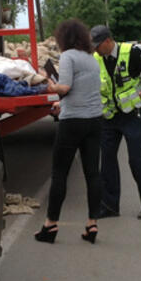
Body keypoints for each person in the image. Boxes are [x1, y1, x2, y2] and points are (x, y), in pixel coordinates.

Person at [35, 19, 103, 244]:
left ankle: (50, 226)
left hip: (72, 122)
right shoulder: (92, 59)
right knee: (92, 174)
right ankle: (92, 224)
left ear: (64, 38)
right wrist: (62, 103)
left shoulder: (68, 57)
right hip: (94, 121)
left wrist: (49, 84)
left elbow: (64, 87)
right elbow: (82, 90)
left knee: (60, 173)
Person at [90, 25, 141, 220]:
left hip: (132, 116)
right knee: (108, 161)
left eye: (97, 45)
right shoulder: (96, 59)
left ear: (107, 42)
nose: (95, 50)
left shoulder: (132, 53)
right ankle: (110, 206)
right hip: (110, 117)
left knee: (137, 160)